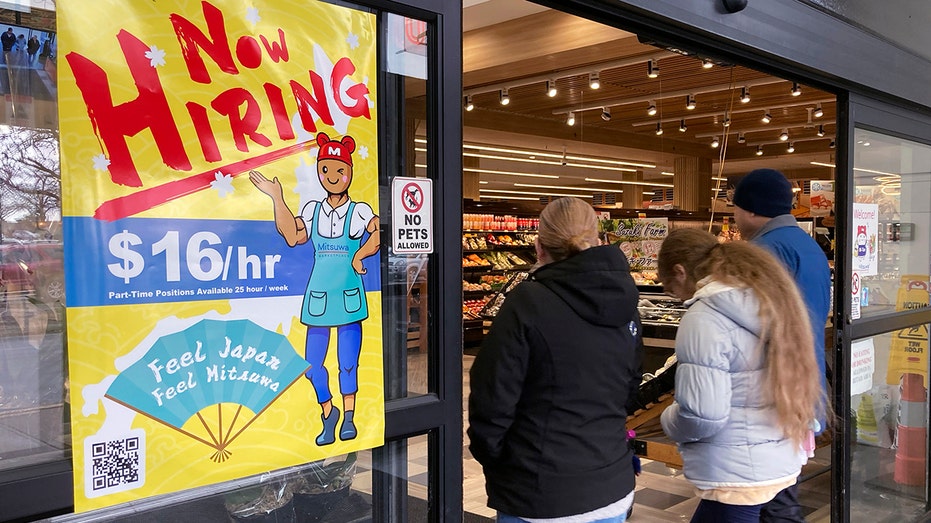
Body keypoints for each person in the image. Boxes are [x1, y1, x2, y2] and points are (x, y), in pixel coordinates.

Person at [468, 197, 642, 523]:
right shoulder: (626, 300)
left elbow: (492, 397)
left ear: (538, 246)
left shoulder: (527, 303)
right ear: (598, 239)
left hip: (540, 491)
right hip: (613, 485)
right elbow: (630, 387)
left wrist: (499, 460)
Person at [657, 228, 824, 523]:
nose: (675, 298)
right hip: (779, 458)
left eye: (670, 288)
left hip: (735, 476)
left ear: (680, 272)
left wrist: (668, 419)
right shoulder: (768, 296)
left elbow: (703, 415)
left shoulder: (704, 317)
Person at [250, 131, 380, 446]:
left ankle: (349, 418)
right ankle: (328, 412)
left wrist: (359, 255)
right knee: (312, 366)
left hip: (349, 296)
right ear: (319, 171)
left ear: (349, 173)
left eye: (340, 170)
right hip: (319, 297)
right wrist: (277, 198)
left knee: (348, 363)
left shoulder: (360, 211)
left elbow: (377, 235)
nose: (333, 177)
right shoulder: (312, 209)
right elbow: (292, 236)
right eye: (326, 170)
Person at [731, 167, 832, 522]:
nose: (734, 215)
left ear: (752, 210)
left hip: (772, 392)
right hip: (805, 385)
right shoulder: (810, 247)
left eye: (736, 207)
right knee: (781, 492)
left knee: (766, 502)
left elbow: (744, 329)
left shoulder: (762, 252)